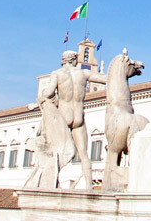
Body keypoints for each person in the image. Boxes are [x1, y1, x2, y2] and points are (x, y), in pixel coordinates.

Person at [33, 50, 108, 189]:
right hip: (79, 116)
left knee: (57, 151)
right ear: (74, 60)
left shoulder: (57, 74)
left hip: (64, 115)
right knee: (84, 153)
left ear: (63, 60)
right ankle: (88, 186)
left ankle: (52, 181)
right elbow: (106, 79)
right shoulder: (84, 73)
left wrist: (41, 99)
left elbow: (48, 93)